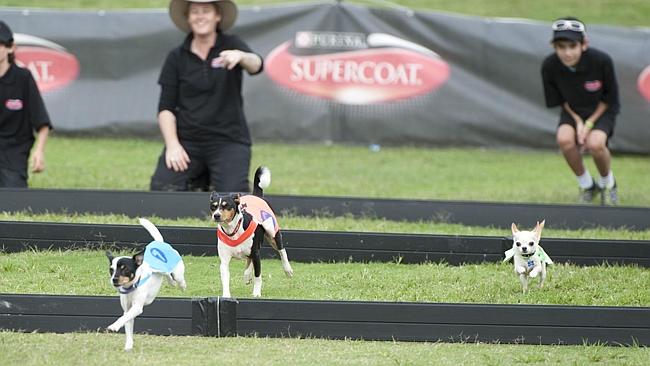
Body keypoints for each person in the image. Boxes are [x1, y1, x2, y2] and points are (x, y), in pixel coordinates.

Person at [150, 0, 263, 192]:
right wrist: (173, 145)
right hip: (188, 141)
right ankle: (201, 179)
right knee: (162, 190)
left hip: (229, 140)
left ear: (217, 16)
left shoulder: (232, 44)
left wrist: (241, 57)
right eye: (194, 12)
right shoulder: (176, 56)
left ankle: (213, 178)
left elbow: (257, 65)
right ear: (187, 17)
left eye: (206, 11)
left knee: (233, 196)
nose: (200, 16)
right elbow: (165, 108)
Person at [541, 17, 620, 205]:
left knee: (596, 144)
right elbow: (559, 100)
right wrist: (577, 121)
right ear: (554, 47)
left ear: (584, 44)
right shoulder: (549, 66)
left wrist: (590, 123)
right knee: (564, 139)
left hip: (602, 110)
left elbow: (610, 99)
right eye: (561, 46)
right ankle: (586, 185)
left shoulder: (602, 61)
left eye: (572, 45)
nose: (567, 52)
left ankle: (607, 184)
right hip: (573, 111)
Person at [0, 20, 52, 188]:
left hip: (13, 153)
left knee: (13, 198)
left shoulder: (23, 78)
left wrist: (39, 151)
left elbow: (42, 122)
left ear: (10, 47)